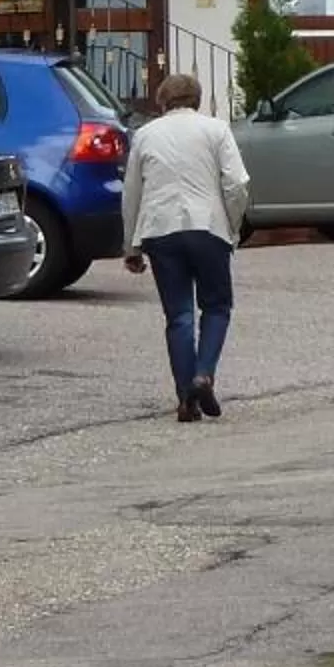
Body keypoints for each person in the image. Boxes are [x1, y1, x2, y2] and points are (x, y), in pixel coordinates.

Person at [120, 71, 250, 423]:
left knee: (178, 315)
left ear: (162, 101)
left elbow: (132, 193)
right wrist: (232, 225)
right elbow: (237, 183)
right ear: (198, 99)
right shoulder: (216, 130)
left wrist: (131, 246)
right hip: (208, 227)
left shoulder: (145, 135)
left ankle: (185, 400)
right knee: (217, 306)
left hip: (160, 230)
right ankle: (203, 374)